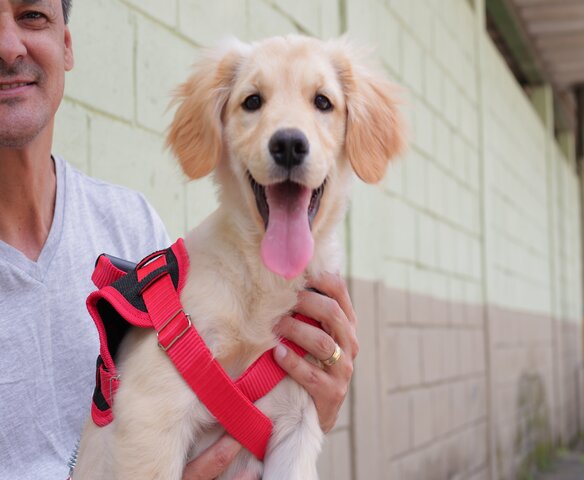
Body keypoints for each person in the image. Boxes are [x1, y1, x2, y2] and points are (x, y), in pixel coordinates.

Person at [0, 1, 358, 479]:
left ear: (66, 43)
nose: (7, 46)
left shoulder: (133, 227)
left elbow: (232, 413)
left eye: (32, 15)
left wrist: (313, 405)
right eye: (254, 101)